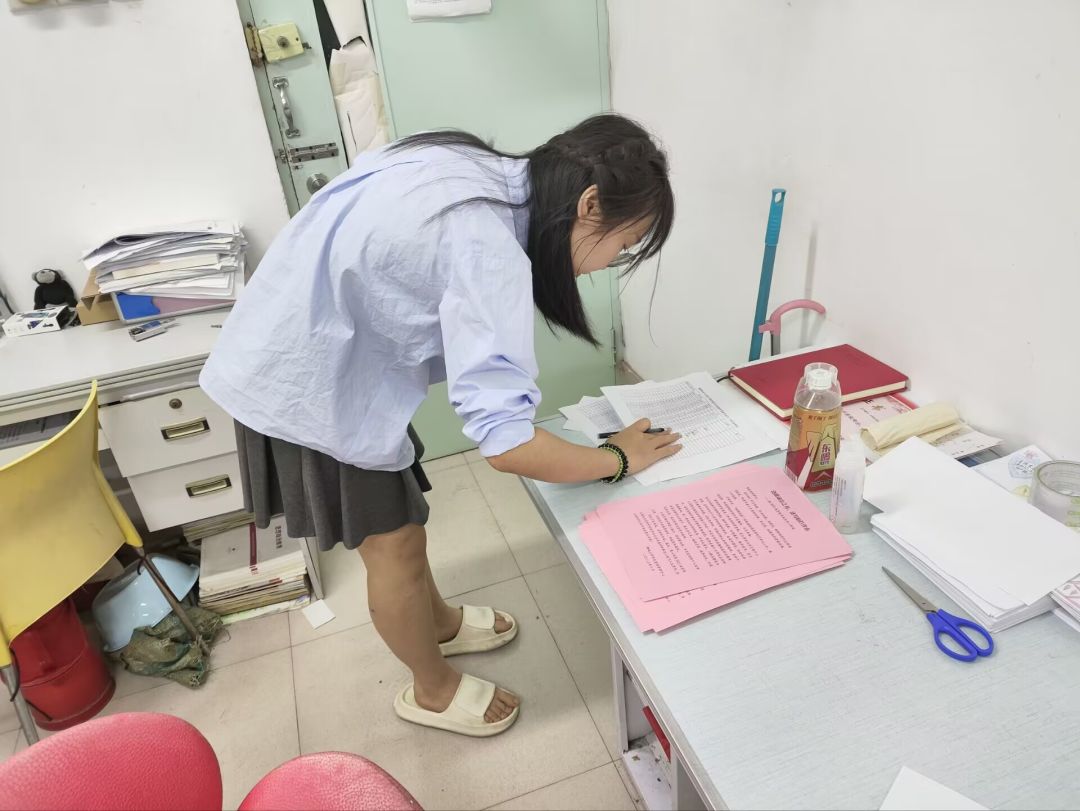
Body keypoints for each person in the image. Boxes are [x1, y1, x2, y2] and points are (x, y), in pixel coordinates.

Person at [200, 113, 680, 737]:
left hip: (324, 353)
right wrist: (616, 459)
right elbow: (508, 445)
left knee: (405, 523)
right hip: (307, 388)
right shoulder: (489, 247)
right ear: (590, 205)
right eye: (624, 244)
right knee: (393, 548)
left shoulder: (475, 165)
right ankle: (432, 690)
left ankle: (442, 626)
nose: (609, 264)